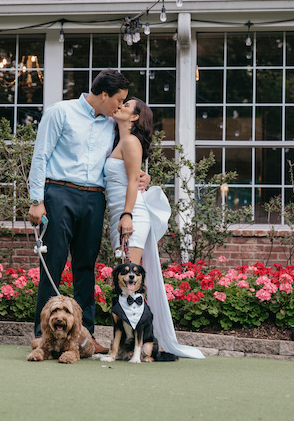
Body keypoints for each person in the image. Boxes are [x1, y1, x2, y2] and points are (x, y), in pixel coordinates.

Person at [28, 69, 147, 354]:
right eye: (118, 100)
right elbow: (40, 155)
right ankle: (41, 337)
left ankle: (86, 337)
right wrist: (36, 200)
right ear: (104, 95)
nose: (120, 107)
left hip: (95, 200)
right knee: (53, 265)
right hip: (59, 194)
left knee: (86, 267)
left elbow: (125, 160)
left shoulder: (112, 122)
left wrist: (144, 176)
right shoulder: (61, 112)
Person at [104, 97, 205, 359]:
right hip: (121, 214)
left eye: (126, 106)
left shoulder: (130, 141)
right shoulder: (120, 140)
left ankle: (137, 347)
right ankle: (128, 344)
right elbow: (134, 178)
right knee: (127, 280)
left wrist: (127, 215)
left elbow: (130, 185)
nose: (121, 106)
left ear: (135, 117)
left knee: (130, 280)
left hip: (132, 215)